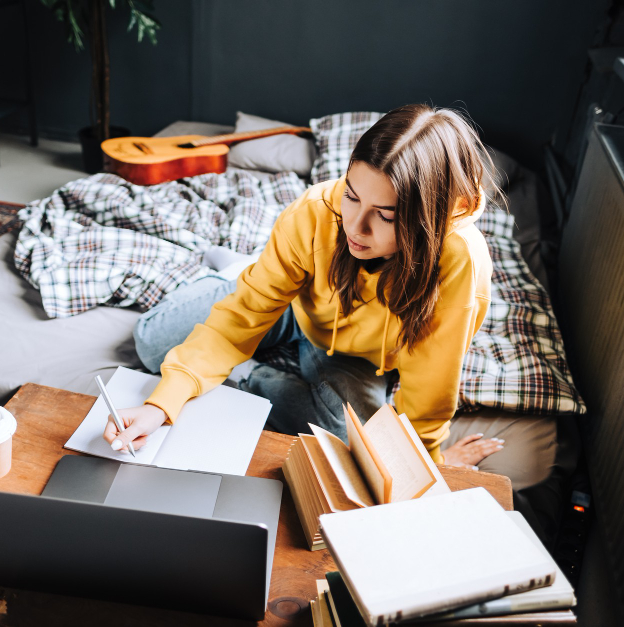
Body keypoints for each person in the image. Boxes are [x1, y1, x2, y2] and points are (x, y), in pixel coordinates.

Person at [105, 104, 505, 470]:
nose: (355, 227)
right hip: (294, 301)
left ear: (430, 218)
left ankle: (244, 364)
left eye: (385, 216)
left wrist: (426, 462)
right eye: (351, 196)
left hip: (359, 355)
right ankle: (247, 271)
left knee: (357, 445)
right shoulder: (315, 211)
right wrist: (160, 407)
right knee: (153, 344)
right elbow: (241, 318)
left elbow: (430, 384)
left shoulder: (460, 263)